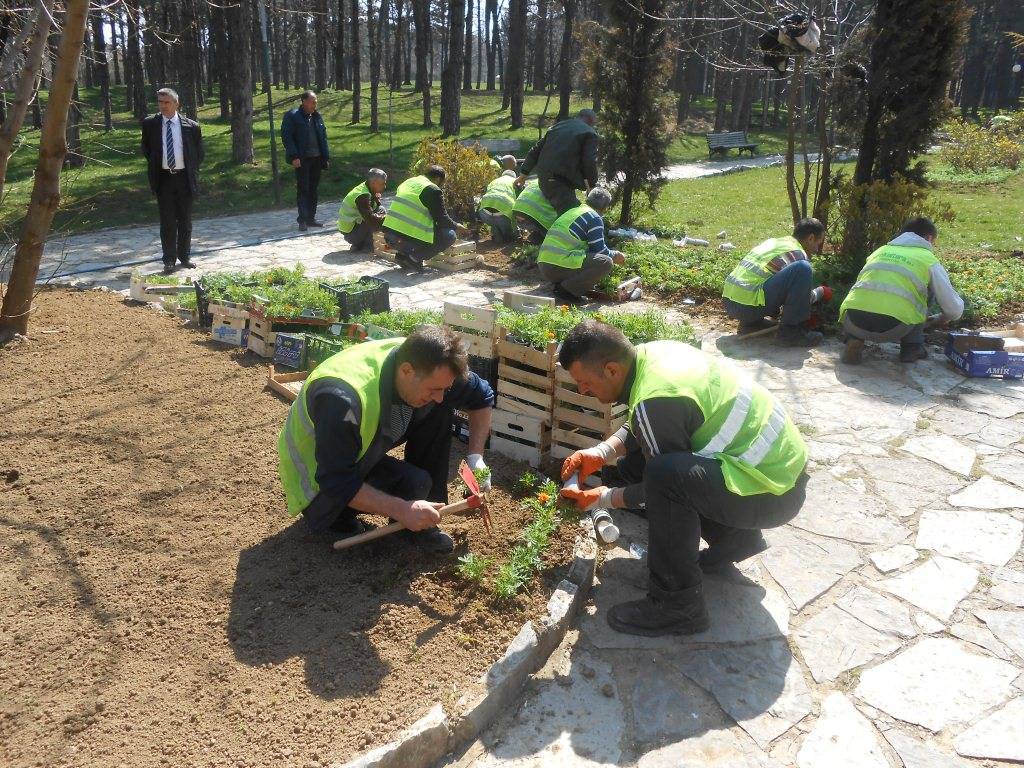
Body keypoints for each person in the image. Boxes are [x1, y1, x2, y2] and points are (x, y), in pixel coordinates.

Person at [557, 320, 809, 637]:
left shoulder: (655, 398)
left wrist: (603, 497)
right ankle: (735, 538)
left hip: (772, 495)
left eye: (584, 382)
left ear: (610, 370)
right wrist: (602, 452)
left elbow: (655, 489)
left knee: (665, 477)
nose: (582, 391)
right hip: (775, 476)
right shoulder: (653, 355)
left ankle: (677, 606)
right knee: (652, 463)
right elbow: (646, 420)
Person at [277, 326, 495, 555]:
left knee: (435, 424)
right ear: (406, 371)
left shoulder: (430, 364)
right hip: (318, 481)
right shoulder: (343, 399)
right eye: (434, 389)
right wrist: (401, 509)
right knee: (346, 506)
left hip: (357, 450)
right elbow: (335, 479)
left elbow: (482, 396)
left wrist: (475, 457)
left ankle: (423, 517)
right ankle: (337, 517)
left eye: (443, 388)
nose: (440, 396)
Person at [839, 217, 964, 364]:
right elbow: (954, 309)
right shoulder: (927, 260)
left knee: (867, 291)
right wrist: (942, 318)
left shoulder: (879, 252)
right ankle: (912, 347)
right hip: (895, 328)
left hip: (853, 322)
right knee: (925, 290)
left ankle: (853, 339)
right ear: (929, 238)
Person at [721, 218, 826, 347]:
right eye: (818, 243)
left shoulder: (775, 243)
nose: (816, 249)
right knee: (803, 268)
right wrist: (821, 292)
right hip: (747, 307)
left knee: (761, 283)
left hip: (729, 303)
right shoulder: (797, 254)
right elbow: (801, 298)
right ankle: (790, 333)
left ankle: (751, 324)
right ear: (810, 238)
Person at [140, 88, 204, 275]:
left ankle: (185, 257)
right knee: (167, 221)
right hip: (164, 179)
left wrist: (189, 169)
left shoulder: (192, 126)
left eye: (166, 102)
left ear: (176, 103)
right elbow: (147, 150)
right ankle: (169, 259)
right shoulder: (150, 124)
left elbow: (199, 154)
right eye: (160, 102)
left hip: (184, 178)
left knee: (185, 221)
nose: (163, 106)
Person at [537, 187, 624, 303]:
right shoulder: (594, 217)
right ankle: (566, 291)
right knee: (606, 262)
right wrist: (616, 255)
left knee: (593, 258)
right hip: (556, 267)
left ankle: (563, 285)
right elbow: (600, 251)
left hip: (544, 265)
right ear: (604, 207)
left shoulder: (574, 211)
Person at [382, 165, 470, 271]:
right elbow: (442, 220)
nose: (442, 186)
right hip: (406, 241)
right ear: (437, 179)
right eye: (442, 182)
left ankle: (403, 255)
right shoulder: (432, 190)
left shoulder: (408, 182)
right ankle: (413, 258)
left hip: (389, 237)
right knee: (449, 235)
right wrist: (457, 226)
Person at [517, 109, 600, 215]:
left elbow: (536, 150)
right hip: (561, 182)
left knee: (557, 214)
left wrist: (523, 175)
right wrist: (591, 185)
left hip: (543, 178)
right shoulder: (589, 133)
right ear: (591, 121)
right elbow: (589, 161)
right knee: (570, 217)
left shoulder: (557, 126)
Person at [281, 90, 330, 231]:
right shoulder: (292, 116)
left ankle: (311, 218)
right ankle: (302, 219)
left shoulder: (316, 117)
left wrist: (325, 157)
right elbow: (287, 138)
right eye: (312, 102)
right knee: (303, 189)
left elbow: (323, 138)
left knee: (313, 189)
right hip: (302, 159)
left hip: (317, 158)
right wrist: (294, 156)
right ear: (304, 101)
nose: (315, 104)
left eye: (316, 102)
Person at [338, 168, 388, 252]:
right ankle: (367, 245)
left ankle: (359, 245)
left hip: (351, 230)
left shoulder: (365, 187)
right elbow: (371, 220)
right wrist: (389, 218)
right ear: (374, 183)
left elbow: (373, 208)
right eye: (383, 184)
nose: (385, 186)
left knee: (381, 210)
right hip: (351, 234)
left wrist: (376, 199)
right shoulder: (362, 196)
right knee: (377, 217)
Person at [477, 169, 519, 244]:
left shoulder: (494, 181)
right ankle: (507, 236)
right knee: (511, 238)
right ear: (514, 177)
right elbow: (519, 202)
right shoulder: (515, 181)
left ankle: (496, 233)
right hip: (504, 213)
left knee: (495, 222)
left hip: (484, 213)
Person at [512, 178, 559, 245]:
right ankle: (539, 244)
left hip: (517, 211)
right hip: (530, 217)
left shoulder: (537, 180)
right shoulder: (558, 185)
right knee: (551, 236)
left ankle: (533, 239)